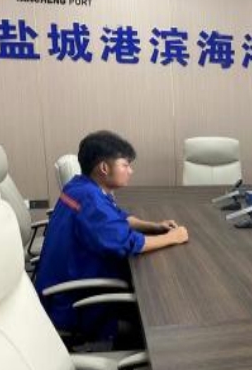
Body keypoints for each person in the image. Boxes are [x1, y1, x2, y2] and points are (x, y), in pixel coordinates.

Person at [35, 130, 189, 340]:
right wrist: (173, 237)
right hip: (74, 304)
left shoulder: (80, 186)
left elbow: (116, 216)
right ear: (104, 168)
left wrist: (154, 226)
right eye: (125, 165)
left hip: (65, 283)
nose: (130, 171)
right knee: (158, 321)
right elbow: (127, 243)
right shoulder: (91, 200)